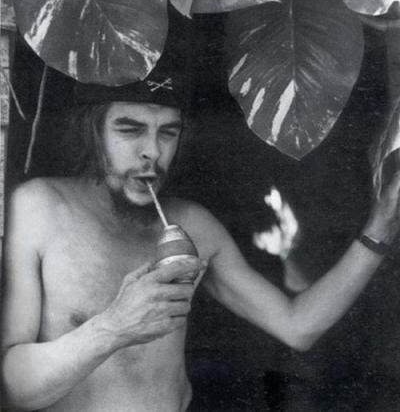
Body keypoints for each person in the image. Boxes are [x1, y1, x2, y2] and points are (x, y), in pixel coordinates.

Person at [2, 59, 400, 412]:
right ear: (93, 132)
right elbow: (11, 390)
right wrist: (113, 327)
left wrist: (380, 227)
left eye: (168, 133)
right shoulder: (39, 208)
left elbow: (298, 327)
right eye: (130, 129)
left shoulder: (192, 223)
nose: (152, 152)